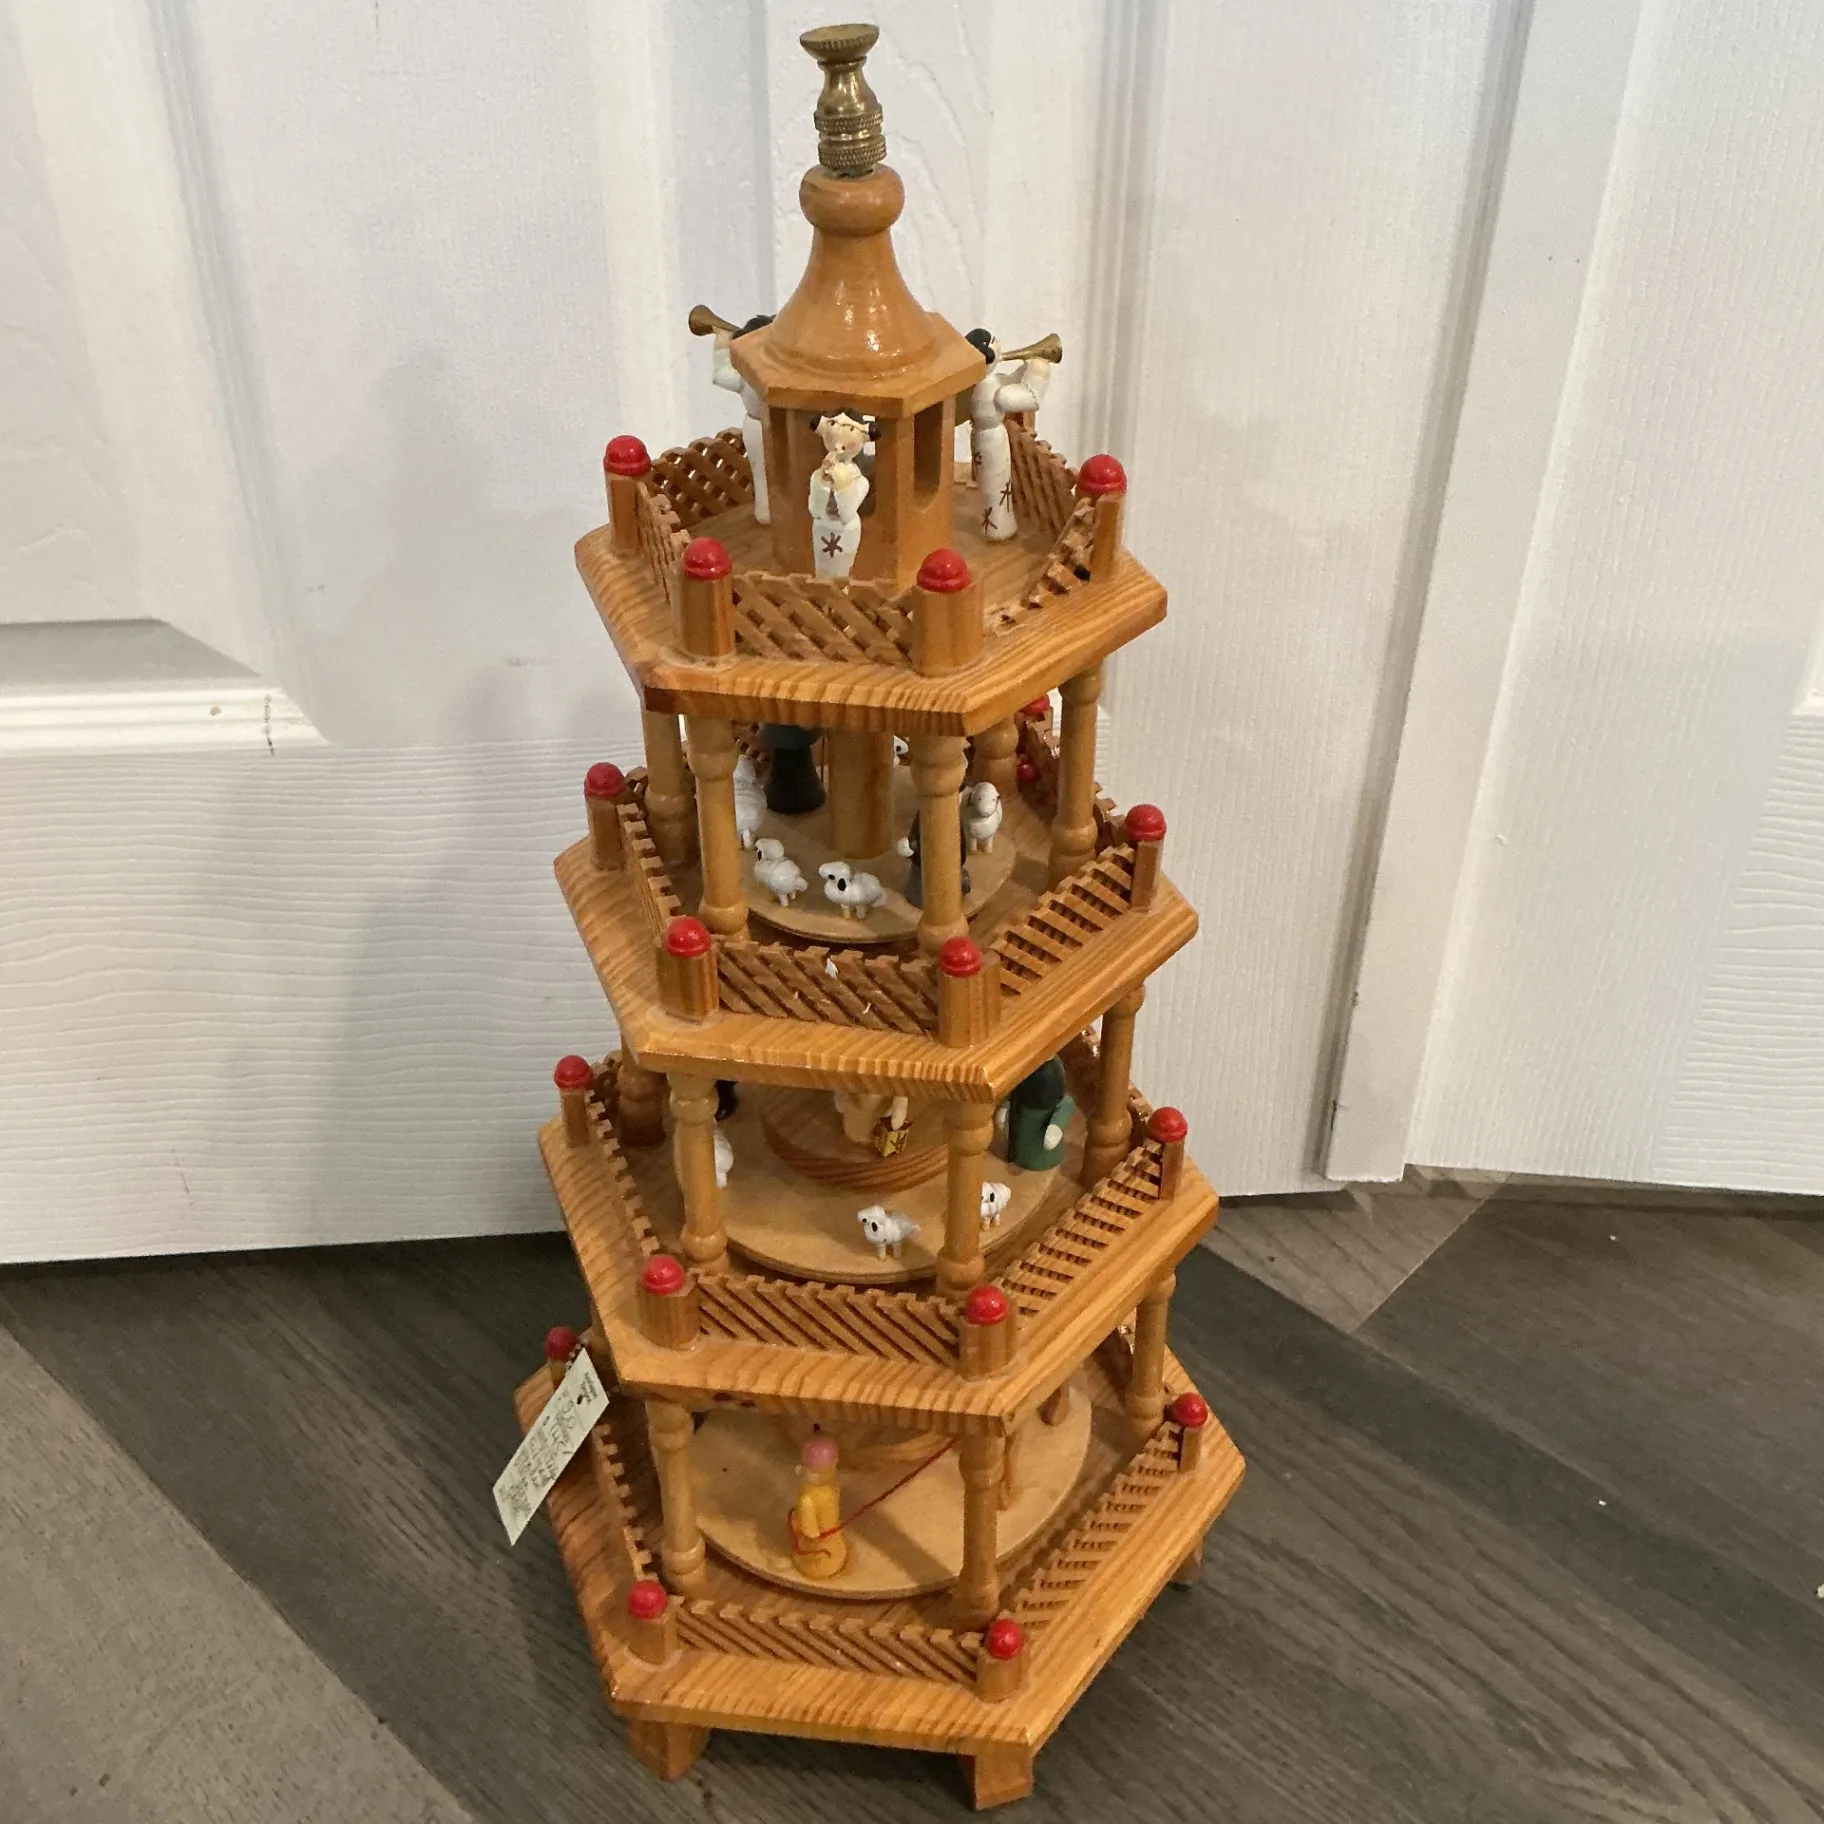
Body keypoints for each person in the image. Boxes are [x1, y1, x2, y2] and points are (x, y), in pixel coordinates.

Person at [964, 328, 1053, 540]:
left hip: (988, 439)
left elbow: (1010, 380)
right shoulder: (989, 389)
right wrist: (1039, 373)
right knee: (996, 486)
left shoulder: (987, 383)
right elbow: (1030, 399)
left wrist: (1025, 367)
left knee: (998, 485)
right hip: (991, 442)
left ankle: (999, 524)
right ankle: (998, 528)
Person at [710, 313, 774, 523]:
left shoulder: (745, 375)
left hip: (779, 427)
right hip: (758, 427)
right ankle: (765, 510)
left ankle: (770, 510)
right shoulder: (744, 376)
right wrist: (723, 340)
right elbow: (721, 373)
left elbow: (721, 372)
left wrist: (722, 342)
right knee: (762, 470)